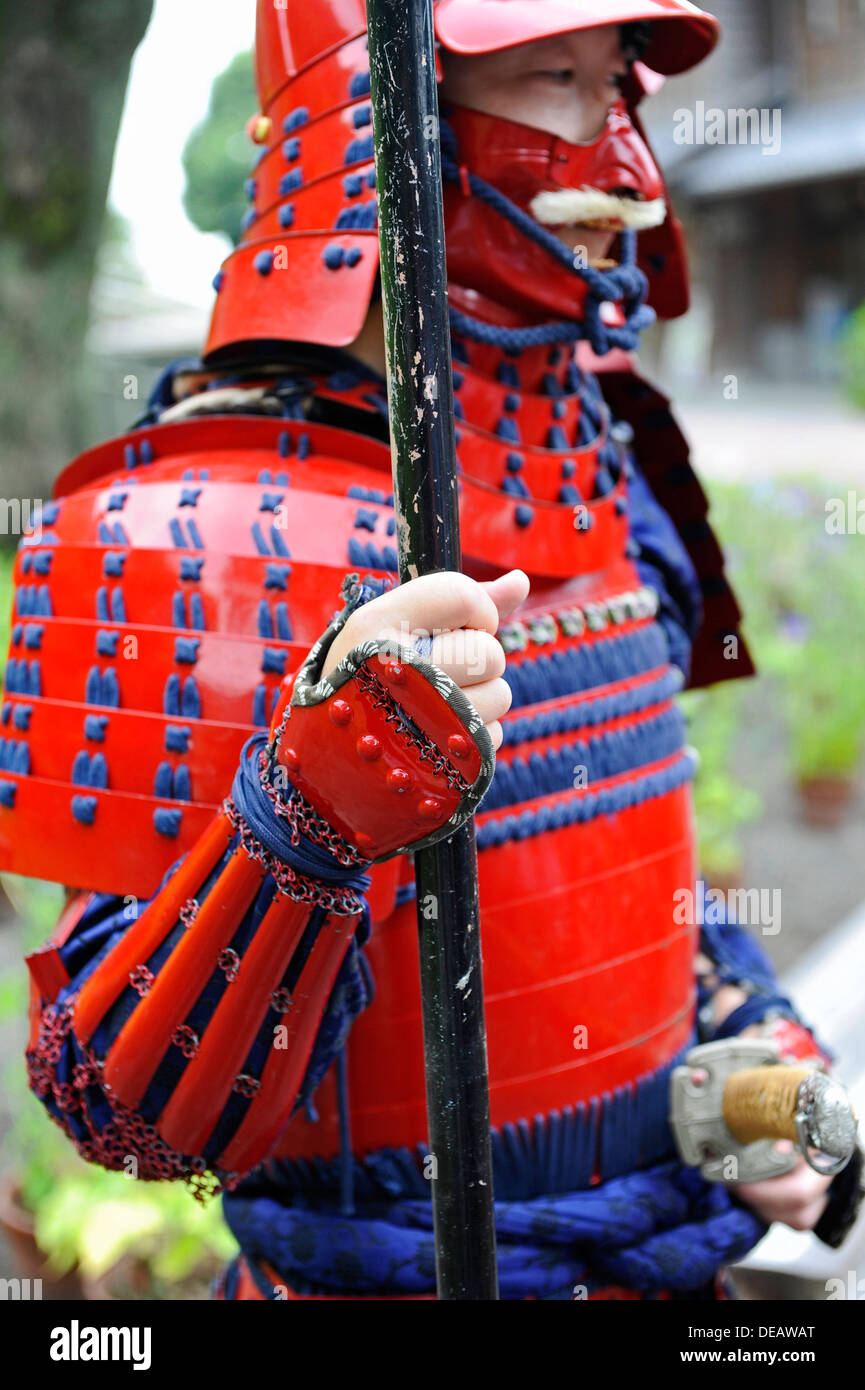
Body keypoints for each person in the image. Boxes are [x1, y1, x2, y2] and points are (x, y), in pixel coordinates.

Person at [9, 0, 861, 1301]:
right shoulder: (189, 521)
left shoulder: (604, 463)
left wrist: (756, 1076)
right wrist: (302, 819)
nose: (623, 156)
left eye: (613, 85)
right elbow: (124, 1111)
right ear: (370, 123)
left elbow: (633, 865)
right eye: (551, 79)